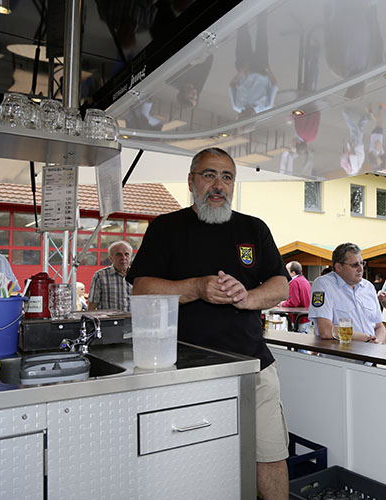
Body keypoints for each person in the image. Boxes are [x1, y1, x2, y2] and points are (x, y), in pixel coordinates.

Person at [125, 147, 290, 500]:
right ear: (191, 181)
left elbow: (281, 285)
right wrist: (197, 288)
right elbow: (142, 288)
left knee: (271, 455)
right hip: (185, 371)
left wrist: (246, 297)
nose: (218, 185)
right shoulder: (166, 227)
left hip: (253, 365)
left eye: (227, 177)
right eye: (209, 175)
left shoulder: (254, 228)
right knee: (197, 459)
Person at [308, 243, 386, 343]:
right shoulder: (323, 285)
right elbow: (325, 330)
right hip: (341, 352)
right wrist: (365, 338)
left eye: (362, 263)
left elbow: (379, 327)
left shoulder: (369, 287)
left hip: (371, 350)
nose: (360, 268)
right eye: (355, 265)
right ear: (338, 267)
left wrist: (377, 343)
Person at [88, 240, 133, 311]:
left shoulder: (137, 276)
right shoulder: (100, 276)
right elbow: (92, 306)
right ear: (111, 258)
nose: (123, 257)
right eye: (119, 254)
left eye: (126, 254)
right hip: (108, 318)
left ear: (130, 257)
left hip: (133, 318)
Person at [280, 261, 311, 333]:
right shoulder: (305, 280)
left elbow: (293, 303)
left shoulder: (294, 282)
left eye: (287, 270)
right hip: (306, 317)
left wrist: (282, 304)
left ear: (293, 273)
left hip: (298, 319)